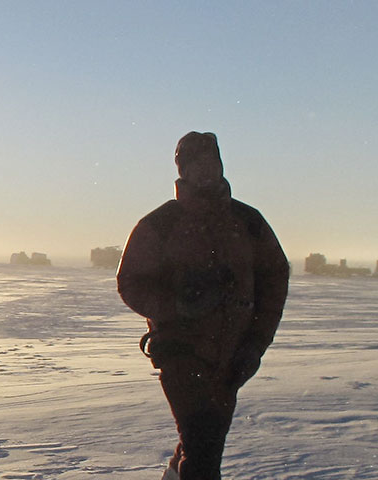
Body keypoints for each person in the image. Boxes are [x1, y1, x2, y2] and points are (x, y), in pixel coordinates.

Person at [117, 132, 290, 480]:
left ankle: (174, 474)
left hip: (233, 358)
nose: (206, 172)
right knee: (204, 451)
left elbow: (274, 279)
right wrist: (179, 304)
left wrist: (255, 344)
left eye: (212, 163)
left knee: (205, 442)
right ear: (182, 170)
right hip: (182, 355)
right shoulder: (160, 223)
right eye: (196, 164)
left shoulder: (248, 221)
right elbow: (131, 283)